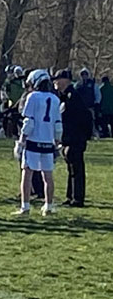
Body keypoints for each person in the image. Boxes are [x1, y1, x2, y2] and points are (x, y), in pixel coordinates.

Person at [13, 69, 62, 216]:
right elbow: (58, 124)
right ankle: (48, 205)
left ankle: (25, 206)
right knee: (48, 176)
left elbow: (29, 122)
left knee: (27, 174)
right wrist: (57, 142)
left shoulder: (32, 97)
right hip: (48, 142)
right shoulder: (55, 99)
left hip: (33, 141)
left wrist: (21, 141)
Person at [53, 70, 92, 208]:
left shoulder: (73, 96)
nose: (55, 82)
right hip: (69, 139)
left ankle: (78, 198)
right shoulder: (63, 97)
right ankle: (70, 196)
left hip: (75, 139)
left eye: (57, 79)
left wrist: (83, 136)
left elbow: (84, 117)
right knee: (71, 169)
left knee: (76, 169)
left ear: (65, 81)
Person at [0, 66, 26, 137]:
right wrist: (7, 100)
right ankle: (10, 134)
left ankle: (18, 134)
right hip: (12, 104)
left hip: (21, 104)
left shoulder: (24, 81)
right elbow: (5, 92)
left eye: (19, 72)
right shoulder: (9, 82)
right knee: (9, 118)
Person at [75, 68, 101, 136]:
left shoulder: (93, 84)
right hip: (80, 107)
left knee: (91, 120)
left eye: (85, 74)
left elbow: (97, 94)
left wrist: (97, 102)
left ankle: (92, 133)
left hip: (90, 106)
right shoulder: (78, 84)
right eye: (83, 74)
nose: (84, 76)